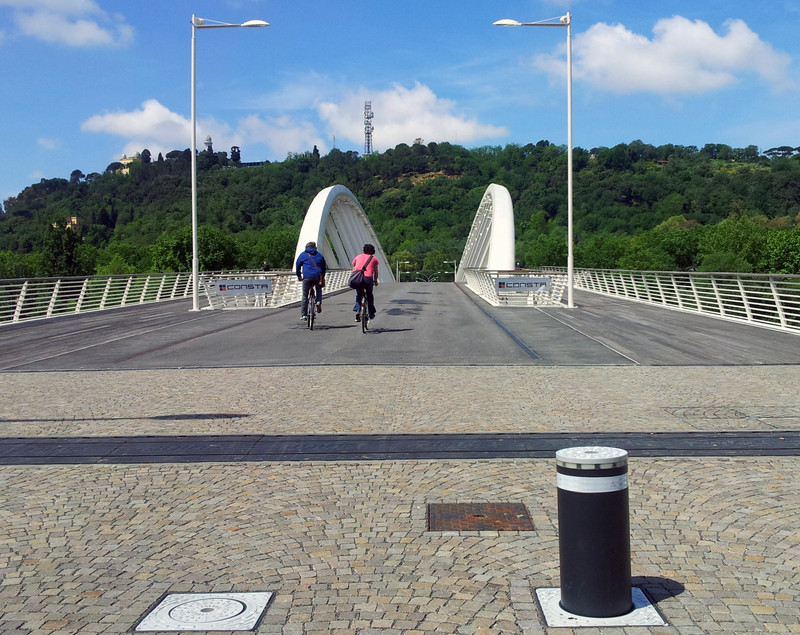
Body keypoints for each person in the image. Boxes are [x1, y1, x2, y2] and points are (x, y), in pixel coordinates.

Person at [295, 241, 326, 321]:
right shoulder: (319, 255)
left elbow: (298, 265)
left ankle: (304, 315)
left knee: (305, 295)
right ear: (315, 247)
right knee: (318, 289)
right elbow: (323, 267)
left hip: (307, 277)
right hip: (317, 276)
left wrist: (299, 275)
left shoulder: (303, 255)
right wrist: (322, 277)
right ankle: (318, 301)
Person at [352, 243, 379, 321]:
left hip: (358, 279)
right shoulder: (374, 259)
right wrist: (375, 280)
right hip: (368, 279)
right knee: (369, 295)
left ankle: (358, 310)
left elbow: (354, 269)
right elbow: (376, 272)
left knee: (359, 294)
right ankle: (371, 313)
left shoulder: (358, 257)